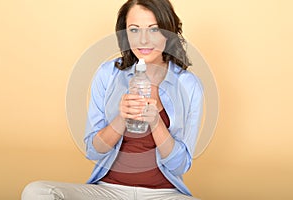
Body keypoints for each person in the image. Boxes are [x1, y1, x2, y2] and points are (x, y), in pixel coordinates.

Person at [21, 0, 203, 199]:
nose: (143, 40)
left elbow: (180, 165)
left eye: (153, 30)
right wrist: (121, 118)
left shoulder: (188, 85)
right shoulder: (108, 74)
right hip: (108, 191)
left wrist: (156, 123)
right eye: (134, 30)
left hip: (164, 194)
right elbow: (93, 151)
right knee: (37, 192)